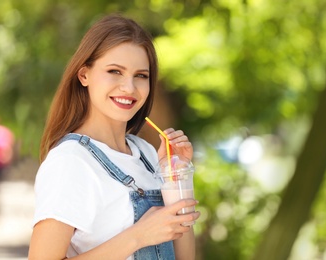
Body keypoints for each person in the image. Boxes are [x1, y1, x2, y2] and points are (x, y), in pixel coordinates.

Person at [29, 14, 200, 260]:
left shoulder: (148, 155)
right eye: (115, 71)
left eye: (141, 75)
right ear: (84, 75)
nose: (129, 88)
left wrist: (175, 174)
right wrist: (138, 236)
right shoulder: (71, 162)